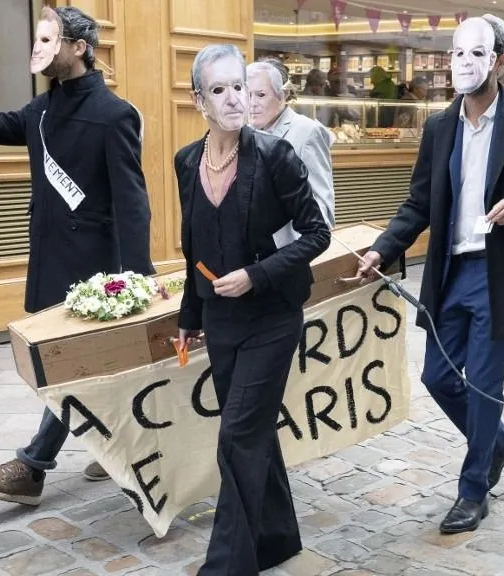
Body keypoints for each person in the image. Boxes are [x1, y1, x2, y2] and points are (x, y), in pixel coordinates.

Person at [355, 17, 504, 534]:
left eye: (475, 52)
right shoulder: (440, 126)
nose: (463, 62)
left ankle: (473, 488)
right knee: (437, 376)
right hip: (449, 270)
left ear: (501, 60)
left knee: (483, 385)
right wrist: (383, 248)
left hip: (500, 275)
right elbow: (419, 201)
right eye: (456, 52)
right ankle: (499, 442)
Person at [0, 7, 154, 505]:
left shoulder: (113, 114)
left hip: (97, 272)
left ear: (78, 47)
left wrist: (136, 279)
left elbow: (131, 202)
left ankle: (32, 467)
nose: (37, 48)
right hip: (52, 259)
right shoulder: (40, 112)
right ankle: (119, 445)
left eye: (46, 39)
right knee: (88, 369)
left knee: (66, 367)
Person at [173, 44, 330, 574]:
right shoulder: (187, 161)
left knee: (238, 435)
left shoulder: (275, 156)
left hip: (272, 317)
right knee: (254, 432)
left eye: (239, 86)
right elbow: (192, 246)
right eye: (219, 89)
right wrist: (189, 319)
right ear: (200, 100)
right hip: (220, 323)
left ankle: (227, 565)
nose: (234, 98)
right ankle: (278, 538)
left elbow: (317, 233)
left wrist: (257, 275)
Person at [246, 57, 336, 242]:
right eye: (248, 94)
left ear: (284, 94)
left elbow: (322, 210)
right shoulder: (245, 132)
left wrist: (294, 253)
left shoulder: (307, 132)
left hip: (286, 256)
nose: (252, 103)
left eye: (261, 95)